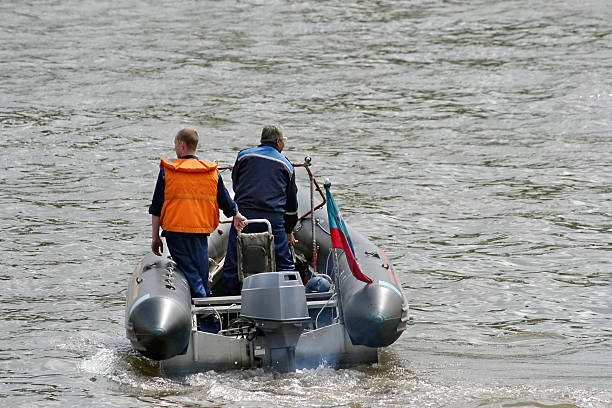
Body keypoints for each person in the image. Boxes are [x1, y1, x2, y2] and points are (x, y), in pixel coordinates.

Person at [149, 128, 247, 298]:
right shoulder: (210, 172)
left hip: (175, 234)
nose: (175, 149)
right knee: (200, 275)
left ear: (182, 145)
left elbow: (156, 207)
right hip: (199, 234)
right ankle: (208, 314)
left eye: (175, 145)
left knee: (191, 274)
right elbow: (225, 201)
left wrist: (155, 237)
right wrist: (236, 215)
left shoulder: (168, 171)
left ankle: (204, 305)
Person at [223, 124, 299, 295]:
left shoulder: (243, 156)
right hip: (272, 220)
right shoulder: (286, 164)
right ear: (278, 141)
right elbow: (291, 205)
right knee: (284, 263)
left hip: (243, 216)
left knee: (233, 260)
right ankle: (291, 298)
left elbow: (236, 183)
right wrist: (289, 230)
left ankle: (229, 301)